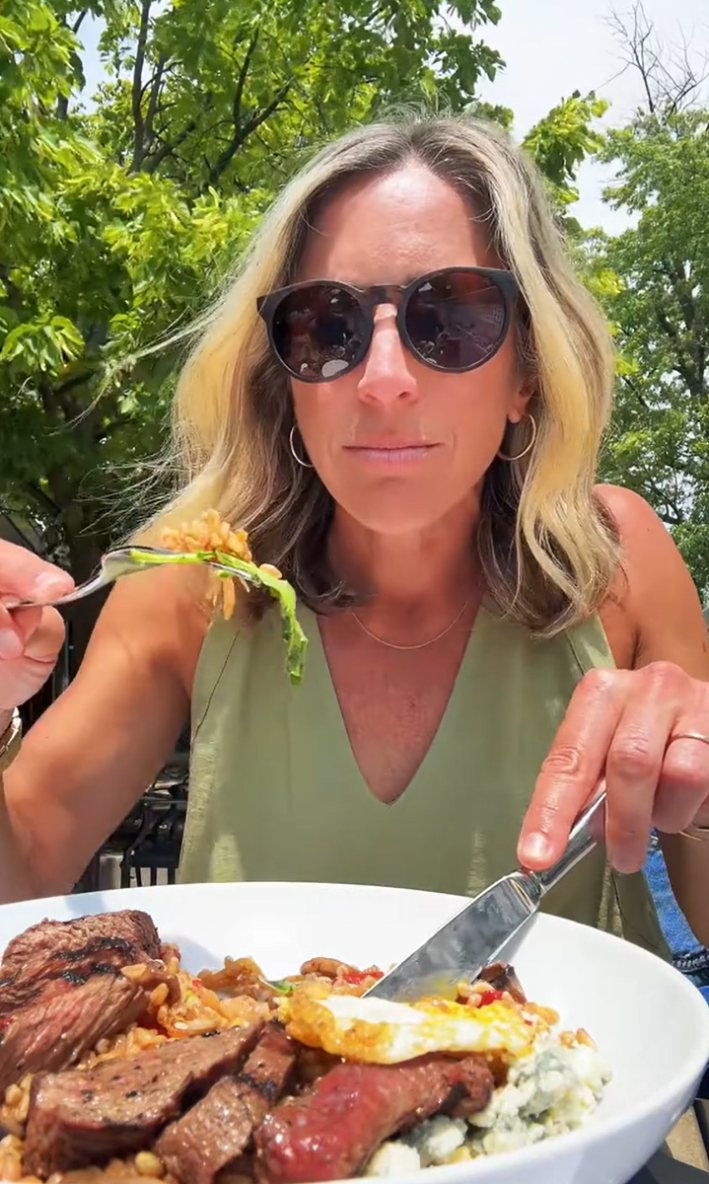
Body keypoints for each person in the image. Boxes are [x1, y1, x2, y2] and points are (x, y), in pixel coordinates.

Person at [1, 115, 708, 956]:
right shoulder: (191, 588)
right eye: (325, 327)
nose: (380, 383)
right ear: (284, 382)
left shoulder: (617, 560)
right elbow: (23, 871)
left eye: (449, 318)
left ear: (526, 372)